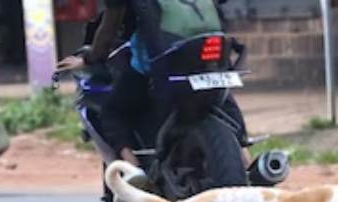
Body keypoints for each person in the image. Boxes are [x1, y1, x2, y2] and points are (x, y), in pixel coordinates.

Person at [56, 0, 244, 167]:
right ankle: (247, 160)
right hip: (213, 52)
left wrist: (90, 58)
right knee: (223, 101)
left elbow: (109, 29)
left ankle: (133, 170)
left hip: (164, 60)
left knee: (113, 113)